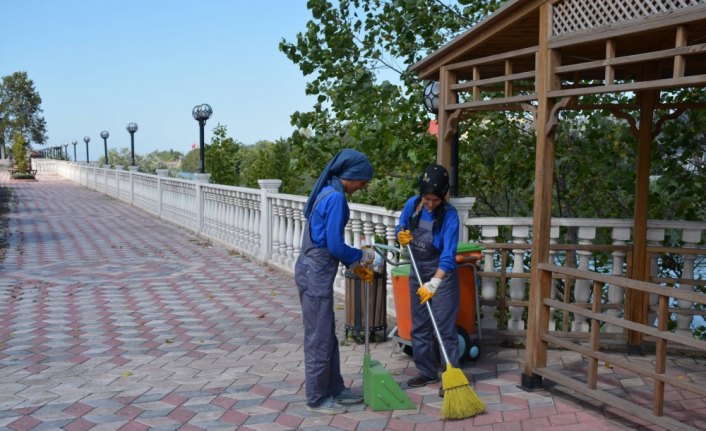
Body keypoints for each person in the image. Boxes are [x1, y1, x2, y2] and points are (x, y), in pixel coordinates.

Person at [295, 148, 375, 415]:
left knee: (327, 333)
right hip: (314, 273)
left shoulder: (328, 191)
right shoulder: (336, 199)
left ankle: (335, 388)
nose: (363, 186)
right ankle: (317, 398)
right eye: (363, 181)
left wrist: (353, 261)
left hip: (313, 270)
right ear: (351, 176)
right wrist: (361, 257)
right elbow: (334, 245)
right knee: (319, 337)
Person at [396, 164, 460, 397]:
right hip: (417, 269)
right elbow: (401, 226)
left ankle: (450, 374)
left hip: (441, 275)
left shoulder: (450, 217)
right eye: (427, 198)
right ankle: (426, 370)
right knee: (420, 325)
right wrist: (399, 234)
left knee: (444, 327)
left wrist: (434, 283)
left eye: (435, 199)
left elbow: (448, 255)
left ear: (443, 196)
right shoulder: (413, 205)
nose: (430, 204)